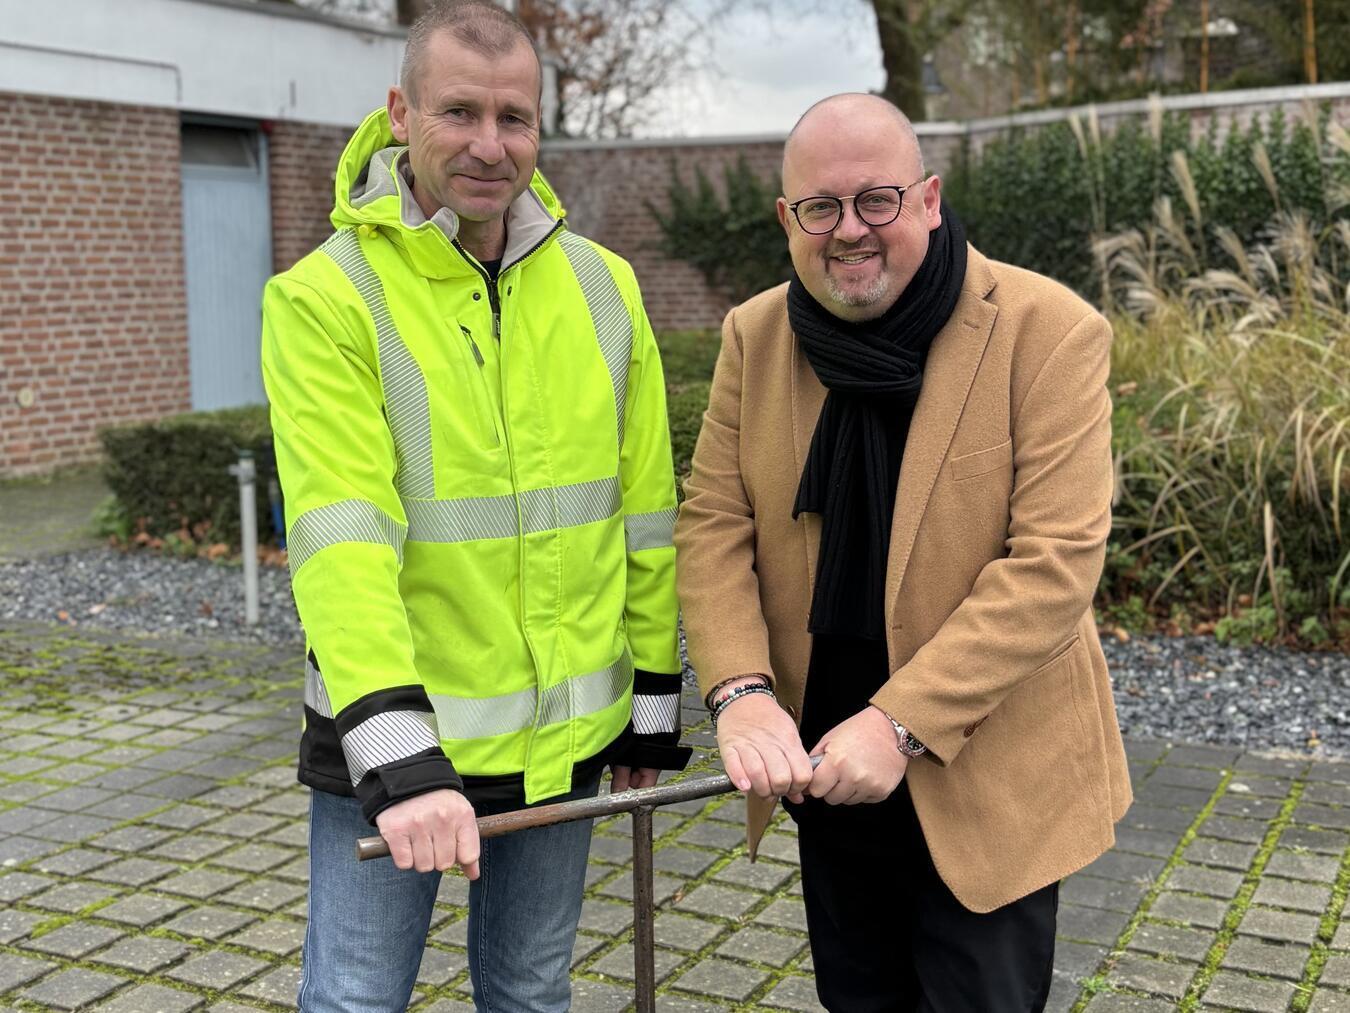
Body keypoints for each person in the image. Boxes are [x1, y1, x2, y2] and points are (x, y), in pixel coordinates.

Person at [261, 3, 689, 1009]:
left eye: (514, 117)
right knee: (358, 994)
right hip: (401, 743)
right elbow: (341, 542)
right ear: (401, 112)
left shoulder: (606, 288)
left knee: (534, 989)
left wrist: (651, 710)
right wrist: (400, 757)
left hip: (565, 742)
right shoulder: (327, 298)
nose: (490, 146)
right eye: (459, 112)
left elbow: (646, 514)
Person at [674, 92, 1132, 1012]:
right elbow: (714, 523)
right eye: (821, 208)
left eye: (876, 200)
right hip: (827, 768)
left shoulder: (1049, 332)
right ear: (787, 220)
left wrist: (900, 723)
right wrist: (742, 693)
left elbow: (1054, 566)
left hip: (983, 771)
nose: (850, 230)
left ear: (927, 198)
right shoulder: (754, 337)